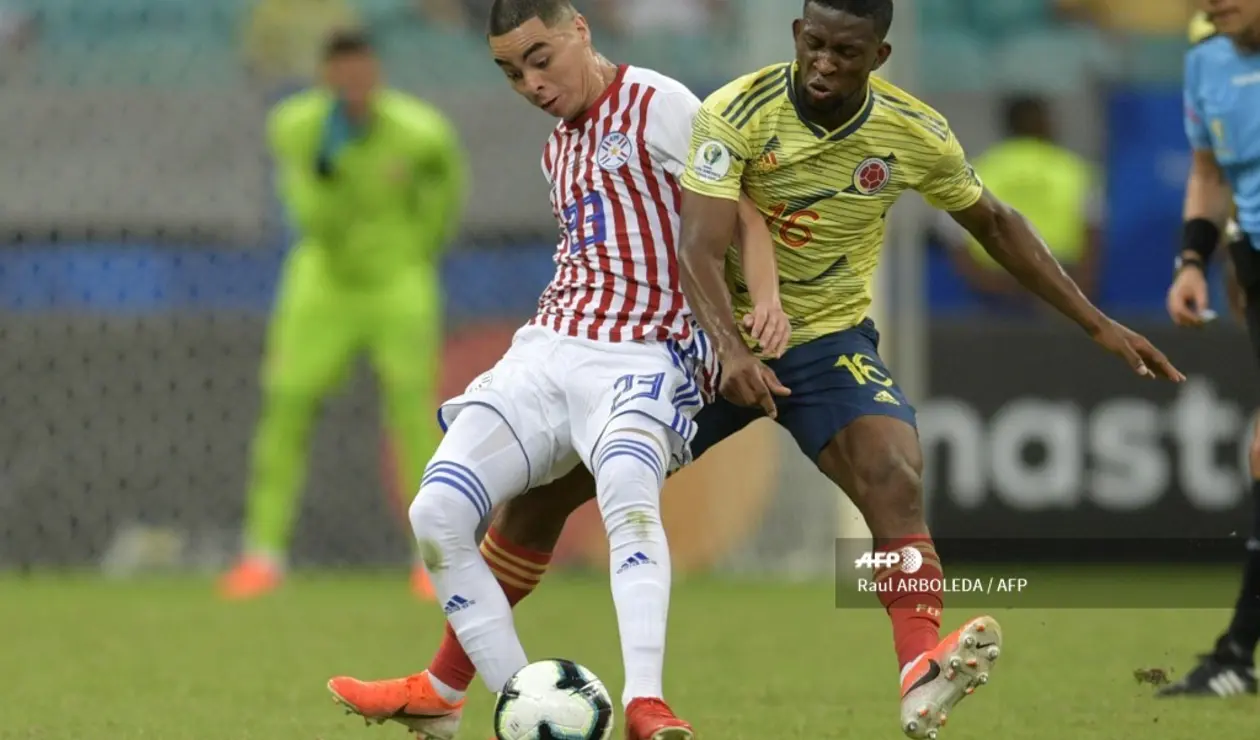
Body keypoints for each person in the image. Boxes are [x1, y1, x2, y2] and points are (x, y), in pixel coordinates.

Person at [330, 1, 1186, 738]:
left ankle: (920, 664)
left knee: (892, 473)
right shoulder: (732, 111)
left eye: (844, 52)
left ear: (877, 58)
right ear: (794, 33)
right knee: (543, 497)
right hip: (704, 342)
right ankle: (446, 684)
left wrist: (1098, 323)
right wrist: (732, 348)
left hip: (825, 338)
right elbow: (701, 241)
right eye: (811, 43)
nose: (822, 63)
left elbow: (993, 222)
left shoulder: (912, 131)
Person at [326, 2, 781, 738]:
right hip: (550, 347)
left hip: (649, 348)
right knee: (435, 514)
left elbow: (744, 214)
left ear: (579, 30)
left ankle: (645, 703)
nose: (530, 83)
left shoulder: (661, 103)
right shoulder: (558, 150)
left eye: (540, 59)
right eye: (511, 72)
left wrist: (761, 311)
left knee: (627, 491)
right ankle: (518, 706)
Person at [219, 30, 467, 601]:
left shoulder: (422, 134)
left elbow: (443, 203)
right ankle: (262, 554)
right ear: (324, 75)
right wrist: (329, 160)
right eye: (341, 72)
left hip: (397, 281)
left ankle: (430, 559)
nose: (353, 83)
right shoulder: (296, 127)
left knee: (414, 415)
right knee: (286, 405)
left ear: (376, 72)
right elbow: (306, 209)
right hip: (322, 279)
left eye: (362, 71)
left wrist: (410, 253)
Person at [1161, 0, 1260, 698]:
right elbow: (1210, 173)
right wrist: (1192, 261)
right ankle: (1235, 657)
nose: (1210, 3)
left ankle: (1234, 654)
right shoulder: (1205, 63)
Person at [941, 96, 1104, 310]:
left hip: (996, 279)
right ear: (1046, 123)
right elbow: (1092, 228)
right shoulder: (1072, 169)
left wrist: (983, 281)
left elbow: (952, 233)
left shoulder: (981, 168)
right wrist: (1080, 285)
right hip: (1057, 276)